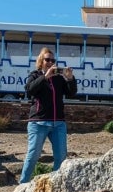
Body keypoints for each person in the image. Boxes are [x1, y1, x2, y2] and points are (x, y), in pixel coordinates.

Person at [19, 47, 77, 184]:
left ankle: (53, 185)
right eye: (47, 60)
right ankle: (22, 185)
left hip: (58, 124)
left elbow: (71, 93)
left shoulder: (58, 79)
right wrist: (45, 77)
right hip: (39, 123)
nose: (50, 62)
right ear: (41, 61)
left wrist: (70, 79)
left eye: (53, 60)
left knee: (61, 157)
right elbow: (30, 90)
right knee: (33, 155)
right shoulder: (34, 75)